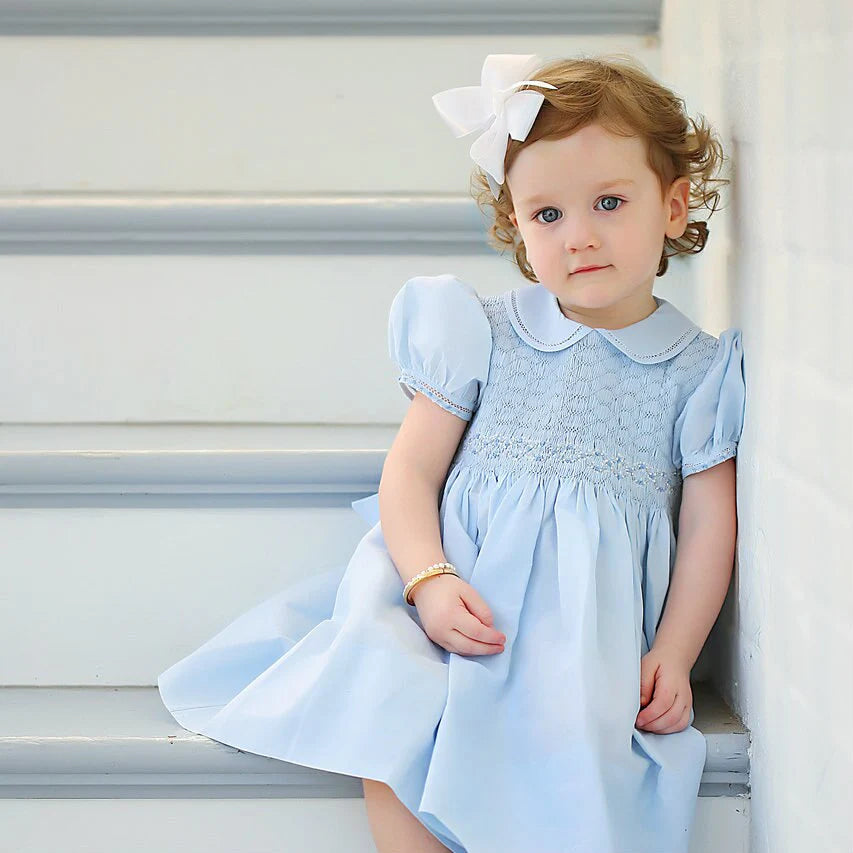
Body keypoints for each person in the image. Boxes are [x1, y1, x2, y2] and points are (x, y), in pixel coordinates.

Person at [157, 52, 747, 853]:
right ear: (514, 225)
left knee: (569, 749)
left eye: (609, 202)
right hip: (449, 587)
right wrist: (428, 578)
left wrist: (675, 654)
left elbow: (710, 527)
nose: (578, 237)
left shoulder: (696, 370)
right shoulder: (482, 331)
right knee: (388, 691)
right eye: (546, 215)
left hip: (578, 626)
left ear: (674, 207)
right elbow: (411, 471)